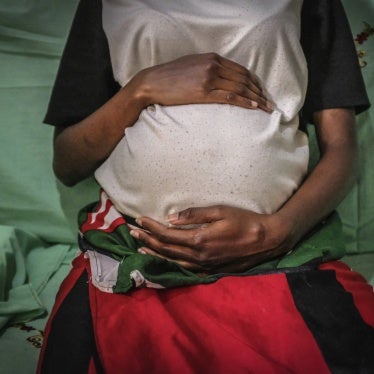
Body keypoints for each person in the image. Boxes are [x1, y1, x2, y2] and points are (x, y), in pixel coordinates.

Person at [38, 0, 373, 373]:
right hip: (138, 249)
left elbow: (342, 149)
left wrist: (279, 230)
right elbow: (67, 162)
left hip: (278, 250)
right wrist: (141, 89)